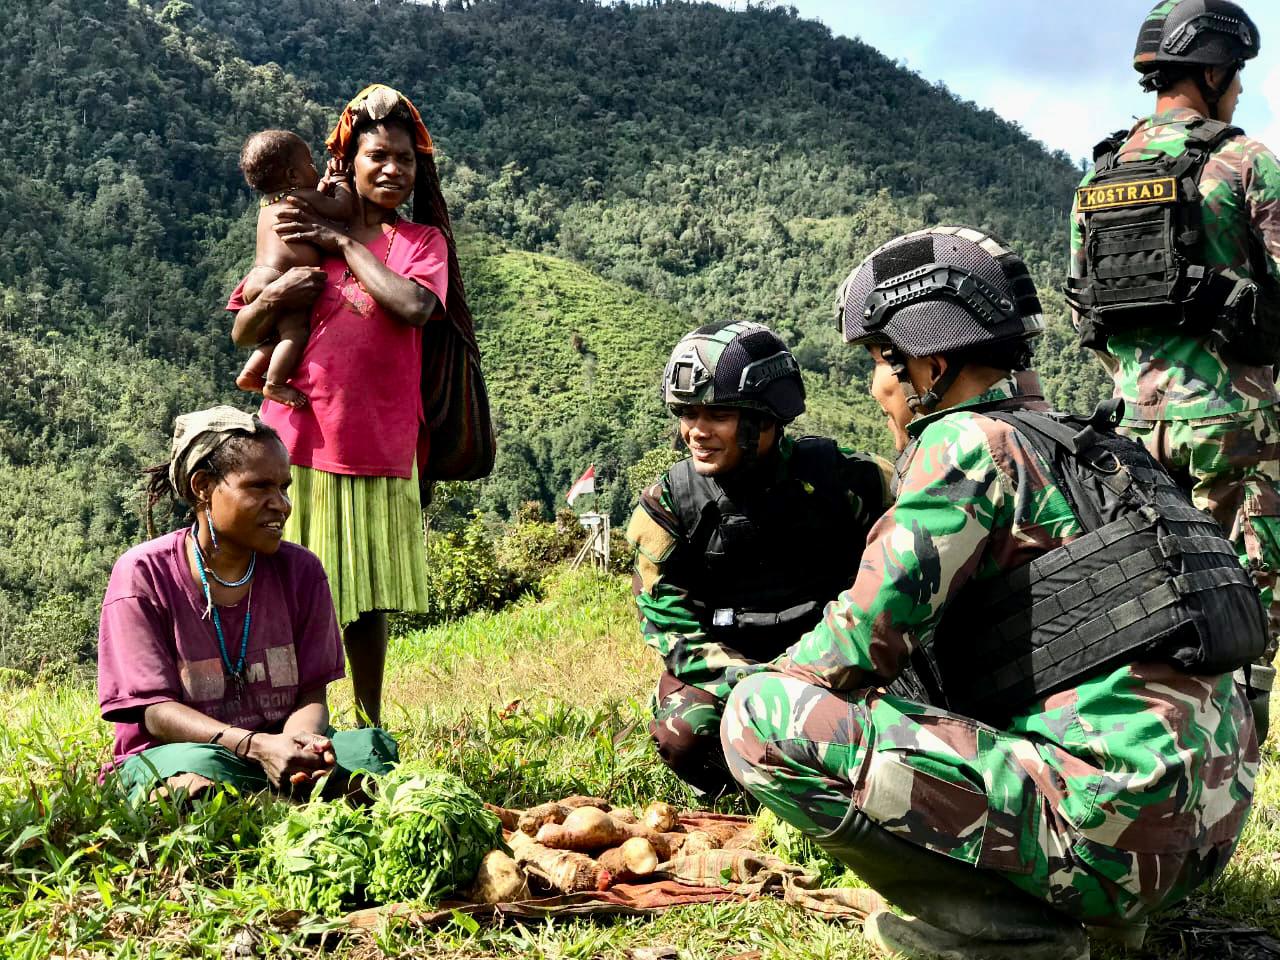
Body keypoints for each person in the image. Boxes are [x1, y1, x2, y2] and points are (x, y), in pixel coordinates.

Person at [721, 227, 1265, 959]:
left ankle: (1012, 935)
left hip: (1111, 830)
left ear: (929, 365)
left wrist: (759, 678)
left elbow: (856, 642)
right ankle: (1103, 907)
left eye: (881, 367)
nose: (876, 391)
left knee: (760, 718)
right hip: (1201, 834)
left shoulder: (968, 444)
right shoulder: (1092, 443)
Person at [228, 85, 476, 727]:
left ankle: (368, 722)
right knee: (287, 593)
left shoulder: (421, 243)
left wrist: (344, 248)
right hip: (297, 441)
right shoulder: (299, 227)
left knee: (367, 602)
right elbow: (243, 331)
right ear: (348, 161)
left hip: (379, 441)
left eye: (406, 159)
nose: (393, 169)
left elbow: (416, 306)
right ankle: (288, 728)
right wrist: (280, 286)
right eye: (378, 156)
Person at [1066, 0, 1280, 707]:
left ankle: (1166, 740)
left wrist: (1140, 382)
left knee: (1161, 594)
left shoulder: (1097, 180)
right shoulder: (1244, 161)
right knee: (1251, 599)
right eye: (1238, 71)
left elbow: (1085, 313)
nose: (1242, 87)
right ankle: (1238, 751)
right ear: (1213, 69)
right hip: (1235, 427)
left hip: (1132, 430)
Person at [625, 320, 891, 797]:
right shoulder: (672, 502)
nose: (696, 432)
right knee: (683, 735)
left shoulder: (843, 479)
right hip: (730, 666)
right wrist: (755, 685)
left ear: (766, 419)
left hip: (835, 661)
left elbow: (904, 567)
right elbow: (669, 624)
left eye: (718, 415)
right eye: (688, 414)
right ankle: (754, 794)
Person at [98, 407, 398, 801]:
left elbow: (312, 695)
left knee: (370, 752)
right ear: (203, 486)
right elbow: (154, 712)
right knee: (195, 789)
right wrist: (256, 746)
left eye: (284, 488)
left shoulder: (301, 571)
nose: (281, 504)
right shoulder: (142, 574)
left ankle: (280, 793)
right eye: (259, 488)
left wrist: (297, 747)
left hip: (279, 747)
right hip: (187, 755)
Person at [234, 129, 356, 410]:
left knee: (277, 335)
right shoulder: (301, 197)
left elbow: (315, 206)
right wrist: (340, 181)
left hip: (258, 279)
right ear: (293, 176)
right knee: (295, 334)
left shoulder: (270, 202)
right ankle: (274, 384)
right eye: (310, 163)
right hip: (284, 280)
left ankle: (250, 372)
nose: (315, 168)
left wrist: (321, 184)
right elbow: (342, 210)